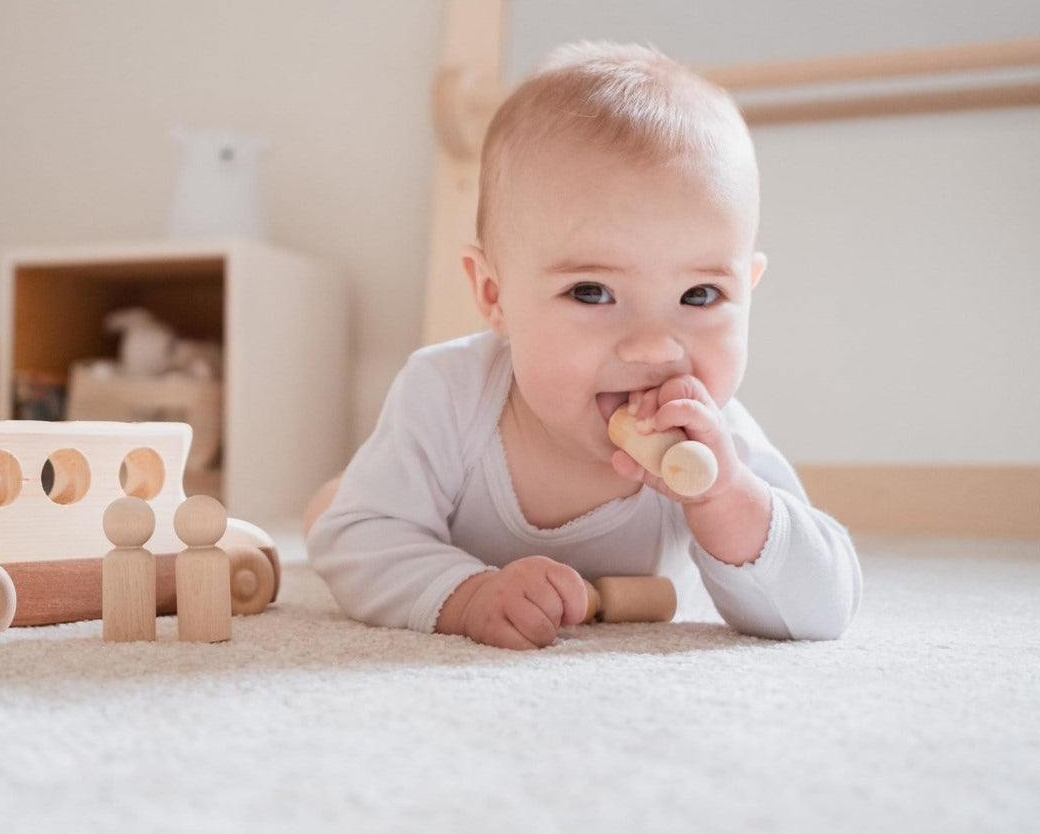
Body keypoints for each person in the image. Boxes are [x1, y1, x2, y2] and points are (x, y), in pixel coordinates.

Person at [305, 42, 861, 650]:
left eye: (700, 295)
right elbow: (361, 539)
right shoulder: (445, 392)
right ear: (494, 295)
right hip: (436, 529)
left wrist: (729, 501)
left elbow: (825, 606)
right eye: (592, 292)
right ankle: (338, 490)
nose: (653, 348)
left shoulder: (715, 438)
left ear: (747, 291)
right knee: (336, 515)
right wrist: (467, 594)